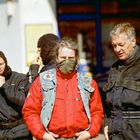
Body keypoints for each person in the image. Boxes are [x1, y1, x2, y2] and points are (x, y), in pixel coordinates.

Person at [22, 37, 104, 140]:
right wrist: (42, 134)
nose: (67, 61)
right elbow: (30, 111)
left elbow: (97, 112)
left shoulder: (88, 83)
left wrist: (90, 132)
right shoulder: (42, 81)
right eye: (63, 57)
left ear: (76, 58)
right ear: (56, 58)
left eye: (71, 58)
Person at [103, 22, 140, 140]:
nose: (117, 49)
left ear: (133, 42)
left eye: (121, 44)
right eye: (114, 46)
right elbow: (109, 106)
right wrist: (107, 124)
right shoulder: (114, 69)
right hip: (115, 134)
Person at [0, 51, 32, 139]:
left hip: (21, 132)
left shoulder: (19, 78)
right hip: (3, 134)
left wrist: (4, 86)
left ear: (5, 62)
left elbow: (26, 102)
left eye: (1, 64)